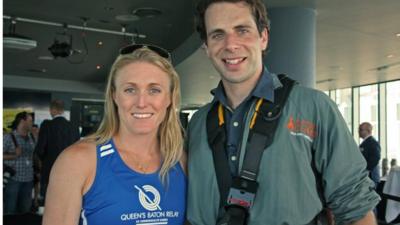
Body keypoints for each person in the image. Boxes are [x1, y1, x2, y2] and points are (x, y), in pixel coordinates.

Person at [186, 0, 380, 224]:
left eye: (242, 30)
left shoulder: (314, 107)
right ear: (206, 48)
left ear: (263, 37)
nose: (231, 44)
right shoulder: (198, 123)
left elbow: (355, 206)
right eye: (218, 35)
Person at [42, 45, 187, 225]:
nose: (141, 102)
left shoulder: (181, 160)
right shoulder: (78, 161)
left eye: (154, 90)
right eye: (130, 90)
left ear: (169, 98)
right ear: (114, 96)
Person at [34, 99, 80, 201]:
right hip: (69, 171)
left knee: (48, 202)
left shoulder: (47, 125)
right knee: (65, 201)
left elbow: (40, 149)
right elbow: (77, 150)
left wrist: (42, 161)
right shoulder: (73, 127)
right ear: (62, 110)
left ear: (53, 110)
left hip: (49, 170)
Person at [3, 111, 35, 214]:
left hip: (28, 180)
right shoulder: (8, 137)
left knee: (25, 211)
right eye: (30, 120)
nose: (32, 123)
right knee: (10, 210)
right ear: (22, 121)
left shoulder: (32, 138)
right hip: (13, 180)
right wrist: (14, 155)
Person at [359, 122, 381, 187]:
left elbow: (375, 158)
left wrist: (366, 170)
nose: (359, 131)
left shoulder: (372, 143)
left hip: (371, 177)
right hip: (366, 176)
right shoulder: (365, 142)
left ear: (368, 131)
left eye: (361, 129)